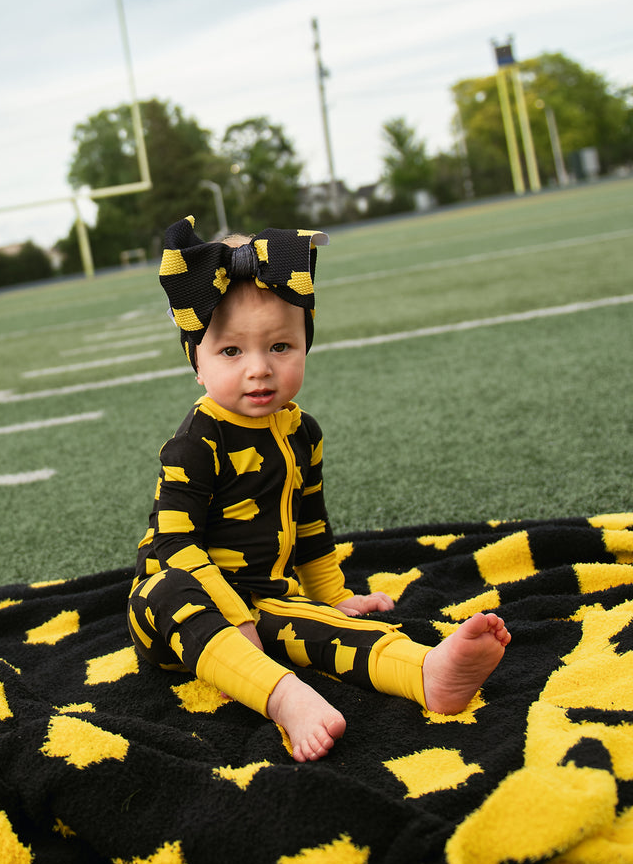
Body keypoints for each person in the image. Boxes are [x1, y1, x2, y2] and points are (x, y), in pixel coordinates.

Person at [130, 216, 510, 762]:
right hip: (177, 599)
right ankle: (286, 698)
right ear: (197, 362)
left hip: (264, 593)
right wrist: (235, 618)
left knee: (323, 627)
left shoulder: (301, 432)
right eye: (231, 352)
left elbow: (311, 523)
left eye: (280, 346)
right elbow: (174, 544)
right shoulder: (197, 441)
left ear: (306, 344)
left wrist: (333, 596)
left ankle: (427, 673)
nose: (259, 369)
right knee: (171, 595)